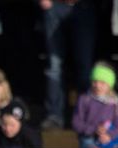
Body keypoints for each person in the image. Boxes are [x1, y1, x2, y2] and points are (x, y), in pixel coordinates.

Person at [39, 0, 96, 130]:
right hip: (54, 6)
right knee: (54, 66)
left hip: (84, 7)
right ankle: (54, 115)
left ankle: (86, 115)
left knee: (84, 66)